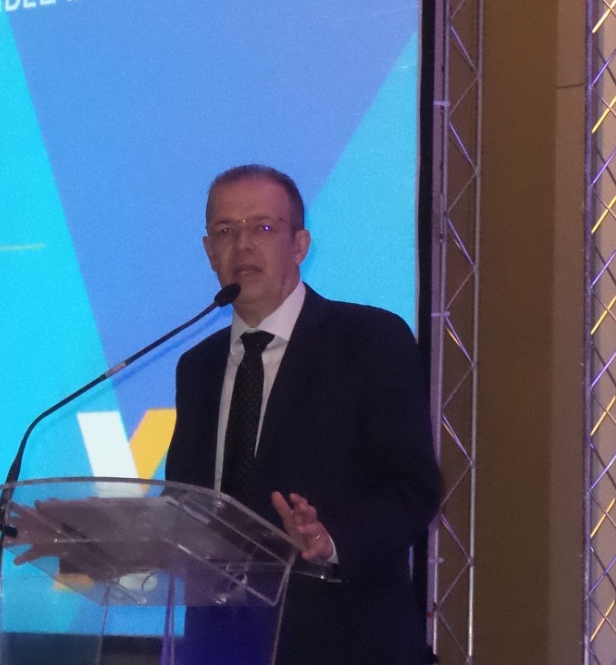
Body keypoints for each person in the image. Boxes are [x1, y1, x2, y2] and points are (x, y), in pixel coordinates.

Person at [165, 164, 441, 664]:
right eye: (225, 231)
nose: (242, 245)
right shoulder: (198, 367)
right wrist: (85, 537)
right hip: (220, 647)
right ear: (208, 251)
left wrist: (329, 538)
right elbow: (186, 503)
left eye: (263, 227)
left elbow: (413, 490)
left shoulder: (370, 341)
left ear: (299, 245)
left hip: (343, 643)